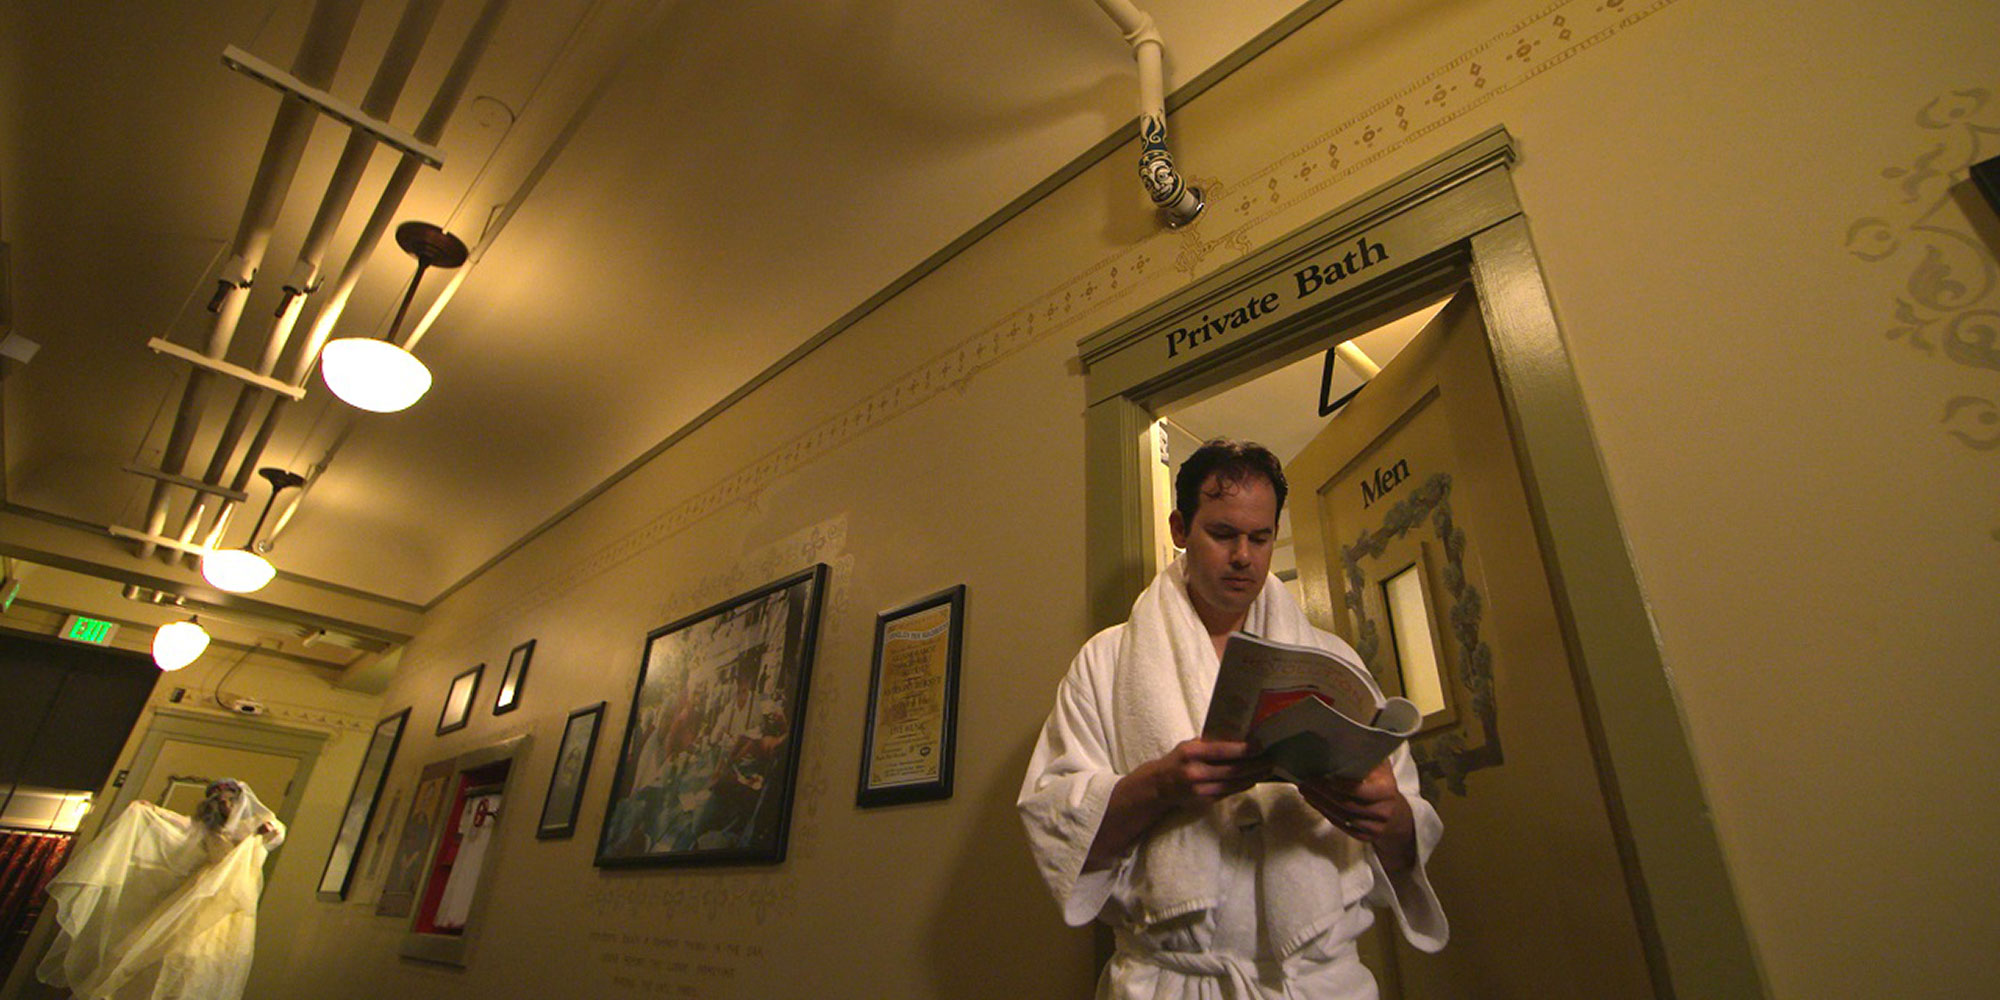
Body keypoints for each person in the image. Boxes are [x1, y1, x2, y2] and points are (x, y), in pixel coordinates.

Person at [1019, 439, 1446, 998]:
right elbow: (1055, 822)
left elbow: (1402, 827)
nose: (1244, 556)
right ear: (1180, 529)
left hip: (1318, 982)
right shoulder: (1106, 661)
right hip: (1174, 979)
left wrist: (1381, 814)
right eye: (1222, 534)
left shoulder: (1335, 662)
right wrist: (1161, 786)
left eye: (1260, 537)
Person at [37, 779, 284, 1000]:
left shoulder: (255, 824)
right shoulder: (205, 827)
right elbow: (174, 822)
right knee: (166, 944)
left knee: (209, 956)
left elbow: (275, 836)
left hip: (232, 896)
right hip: (199, 891)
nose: (225, 805)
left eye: (230, 800)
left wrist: (267, 831)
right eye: (220, 801)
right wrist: (148, 810)